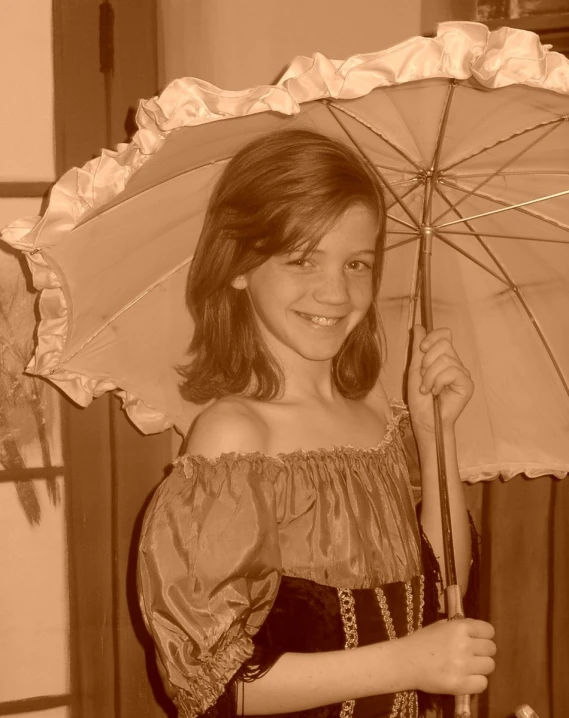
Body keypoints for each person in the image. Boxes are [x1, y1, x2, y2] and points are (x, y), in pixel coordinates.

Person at [137, 129, 496, 718]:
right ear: (239, 268)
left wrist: (436, 439)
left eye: (358, 263)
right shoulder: (236, 438)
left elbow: (441, 589)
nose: (335, 291)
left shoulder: (383, 416)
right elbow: (211, 683)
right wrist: (409, 662)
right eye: (303, 259)